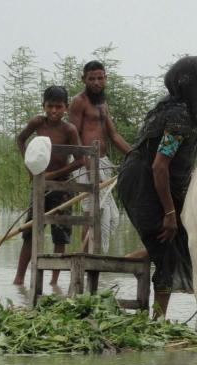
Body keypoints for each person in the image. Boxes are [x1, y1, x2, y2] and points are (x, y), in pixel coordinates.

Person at [118, 56, 197, 319]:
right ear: (194, 84)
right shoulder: (178, 116)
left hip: (160, 181)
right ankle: (157, 322)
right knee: (166, 249)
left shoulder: (184, 110)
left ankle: (138, 258)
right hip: (142, 183)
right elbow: (160, 166)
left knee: (194, 238)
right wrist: (170, 213)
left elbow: (174, 163)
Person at [13, 86, 84, 286]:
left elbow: (80, 161)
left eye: (58, 107)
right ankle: (19, 278)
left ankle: (53, 282)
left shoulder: (69, 129)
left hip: (62, 186)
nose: (53, 111)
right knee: (30, 232)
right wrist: (30, 169)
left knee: (60, 235)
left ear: (66, 108)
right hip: (39, 186)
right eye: (50, 106)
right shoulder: (38, 122)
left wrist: (52, 175)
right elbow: (20, 139)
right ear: (43, 106)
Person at [69, 61, 131, 253]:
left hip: (101, 162)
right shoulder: (79, 101)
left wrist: (134, 155)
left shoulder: (102, 103)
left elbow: (114, 135)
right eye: (91, 78)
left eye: (100, 78)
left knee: (109, 214)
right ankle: (86, 258)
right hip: (84, 162)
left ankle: (95, 256)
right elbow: (74, 135)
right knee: (92, 211)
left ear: (105, 78)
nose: (96, 82)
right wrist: (86, 162)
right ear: (83, 80)